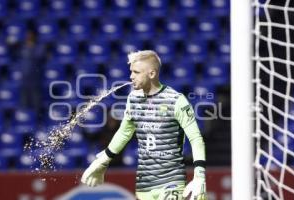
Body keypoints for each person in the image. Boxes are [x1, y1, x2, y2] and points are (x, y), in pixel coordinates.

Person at [81, 50, 207, 200]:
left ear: (152, 74)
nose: (131, 76)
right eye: (131, 72)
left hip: (171, 181)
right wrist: (102, 161)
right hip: (144, 184)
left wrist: (200, 175)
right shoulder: (133, 99)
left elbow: (195, 138)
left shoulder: (176, 100)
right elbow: (124, 132)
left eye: (136, 72)